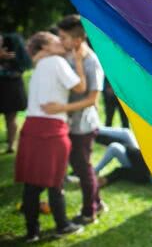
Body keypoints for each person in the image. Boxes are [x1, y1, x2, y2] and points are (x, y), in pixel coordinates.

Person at [15, 32, 86, 242]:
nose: (60, 42)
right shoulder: (56, 61)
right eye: (55, 40)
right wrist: (79, 61)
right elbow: (80, 87)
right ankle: (62, 225)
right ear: (45, 47)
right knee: (55, 181)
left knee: (32, 183)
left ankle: (32, 232)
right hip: (52, 129)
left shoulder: (38, 67)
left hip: (31, 126)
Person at [41, 15, 105, 225]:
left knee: (82, 169)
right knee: (80, 167)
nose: (60, 41)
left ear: (77, 40)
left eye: (64, 37)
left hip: (84, 126)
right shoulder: (69, 55)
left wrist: (61, 108)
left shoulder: (92, 62)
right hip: (68, 123)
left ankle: (89, 212)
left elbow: (92, 99)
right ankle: (97, 202)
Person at [0, 32, 31, 153]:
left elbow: (23, 68)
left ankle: (11, 145)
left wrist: (13, 59)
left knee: (10, 118)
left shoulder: (16, 50)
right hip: (10, 87)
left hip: (11, 89)